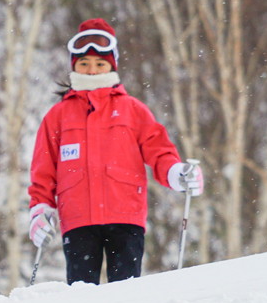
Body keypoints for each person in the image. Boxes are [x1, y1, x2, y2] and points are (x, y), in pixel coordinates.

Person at [28, 18, 204, 284]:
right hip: (77, 220)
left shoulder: (132, 110)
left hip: (125, 216)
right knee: (80, 292)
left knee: (126, 289)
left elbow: (158, 150)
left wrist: (176, 172)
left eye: (100, 64)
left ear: (112, 66)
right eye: (84, 64)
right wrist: (40, 210)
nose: (92, 71)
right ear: (74, 65)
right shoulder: (58, 116)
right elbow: (43, 170)